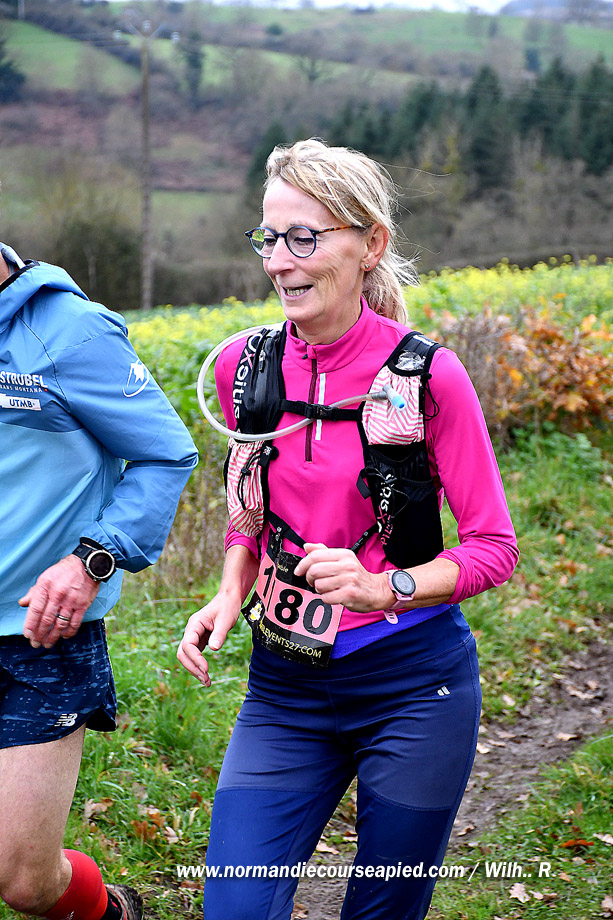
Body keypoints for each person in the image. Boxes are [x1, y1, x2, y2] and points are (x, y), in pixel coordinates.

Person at [178, 139, 519, 920]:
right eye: (269, 238)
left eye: (304, 238)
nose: (279, 262)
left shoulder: (426, 377)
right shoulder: (242, 367)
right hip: (283, 687)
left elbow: (493, 549)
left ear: (370, 245)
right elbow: (249, 502)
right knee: (232, 909)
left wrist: (381, 587)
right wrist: (229, 588)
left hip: (413, 686)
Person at [0, 242, 198, 920]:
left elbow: (163, 455)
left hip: (38, 640)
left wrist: (93, 559)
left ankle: (112, 913)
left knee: (24, 882)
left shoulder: (71, 331)